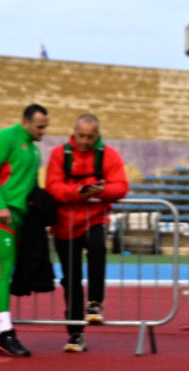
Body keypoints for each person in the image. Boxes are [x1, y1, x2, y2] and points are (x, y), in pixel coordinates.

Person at [45, 114, 128, 353]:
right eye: (81, 136)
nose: (85, 141)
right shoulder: (60, 154)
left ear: (98, 135)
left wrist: (101, 191)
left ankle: (94, 303)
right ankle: (75, 334)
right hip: (65, 224)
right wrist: (77, 192)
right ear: (74, 132)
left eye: (91, 137)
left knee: (98, 247)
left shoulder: (109, 154)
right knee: (71, 280)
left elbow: (121, 186)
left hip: (95, 218)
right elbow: (53, 187)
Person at [0, 104, 48, 357]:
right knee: (3, 270)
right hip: (0, 214)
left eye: (45, 126)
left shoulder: (35, 152)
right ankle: (6, 332)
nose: (44, 131)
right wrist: (0, 206)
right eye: (40, 126)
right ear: (26, 122)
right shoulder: (6, 137)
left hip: (18, 216)